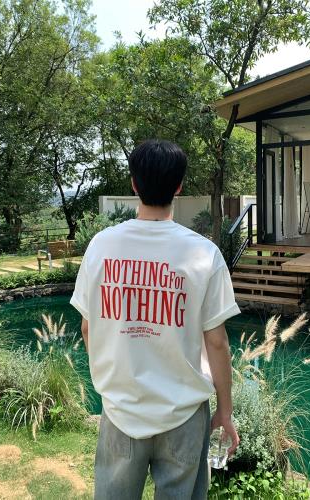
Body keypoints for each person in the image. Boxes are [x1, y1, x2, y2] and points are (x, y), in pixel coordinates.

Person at [70, 139, 240, 499]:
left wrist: (113, 380)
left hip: (121, 410)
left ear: (134, 184)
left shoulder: (101, 246)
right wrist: (225, 411)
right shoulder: (204, 253)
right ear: (179, 187)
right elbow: (217, 342)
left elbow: (87, 327)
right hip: (184, 413)